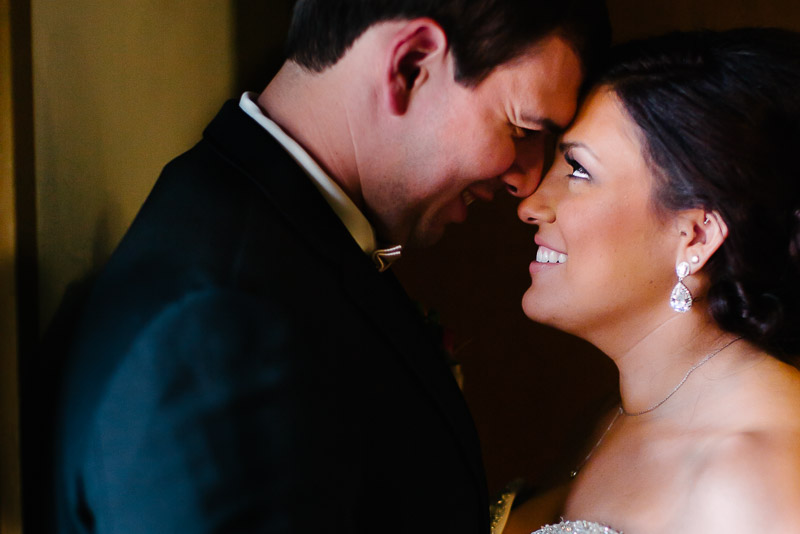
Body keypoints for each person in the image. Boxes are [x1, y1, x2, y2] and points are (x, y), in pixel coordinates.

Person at [37, 1, 611, 533]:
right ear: (409, 65)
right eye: (521, 130)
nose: (527, 180)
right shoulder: (215, 326)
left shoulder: (276, 236)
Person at [507, 28, 800, 534]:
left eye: (577, 169)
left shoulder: (758, 476)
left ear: (695, 236)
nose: (531, 205)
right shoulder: (620, 415)